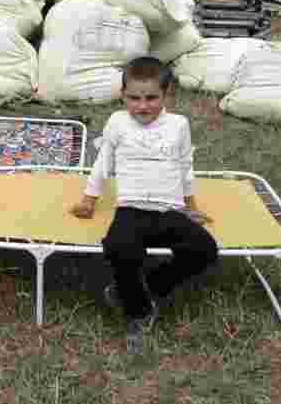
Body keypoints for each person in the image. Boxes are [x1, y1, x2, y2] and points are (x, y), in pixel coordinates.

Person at [70, 56, 218, 355]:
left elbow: (185, 165)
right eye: (134, 98)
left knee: (204, 250)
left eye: (151, 98)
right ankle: (139, 312)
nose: (142, 106)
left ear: (166, 95)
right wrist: (89, 199)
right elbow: (103, 163)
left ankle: (145, 287)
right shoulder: (117, 122)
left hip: (169, 211)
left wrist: (191, 205)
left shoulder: (178, 125)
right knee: (118, 248)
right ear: (123, 95)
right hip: (131, 210)